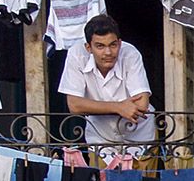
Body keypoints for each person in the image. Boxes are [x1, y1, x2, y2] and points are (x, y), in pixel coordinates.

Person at [59, 14, 157, 168]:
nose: (108, 52)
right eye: (100, 46)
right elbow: (74, 105)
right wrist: (118, 107)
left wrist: (93, 106)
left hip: (140, 138)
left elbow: (142, 104)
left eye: (113, 45)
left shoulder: (130, 53)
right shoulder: (76, 55)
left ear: (119, 42)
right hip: (100, 141)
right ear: (88, 47)